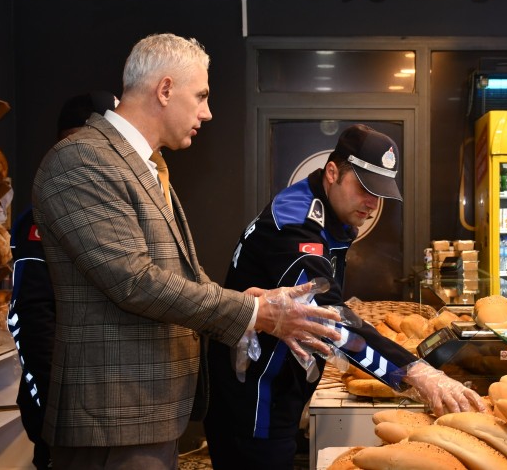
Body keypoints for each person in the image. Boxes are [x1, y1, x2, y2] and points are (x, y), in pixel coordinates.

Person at [31, 33, 341, 470]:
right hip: (113, 418)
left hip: (150, 415)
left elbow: (175, 277)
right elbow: (134, 282)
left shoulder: (146, 165)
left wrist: (245, 302)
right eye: (201, 96)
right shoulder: (83, 159)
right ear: (165, 89)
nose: (207, 112)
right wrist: (253, 313)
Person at [204, 123, 485, 470]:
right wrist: (416, 372)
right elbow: (327, 318)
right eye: (364, 187)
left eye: (380, 193)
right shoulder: (296, 225)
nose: (373, 204)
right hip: (254, 399)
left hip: (272, 387)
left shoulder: (322, 210)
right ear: (332, 173)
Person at [8, 90, 117, 470]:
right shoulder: (42, 217)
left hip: (106, 413)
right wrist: (56, 412)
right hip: (66, 417)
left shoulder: (102, 209)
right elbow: (32, 319)